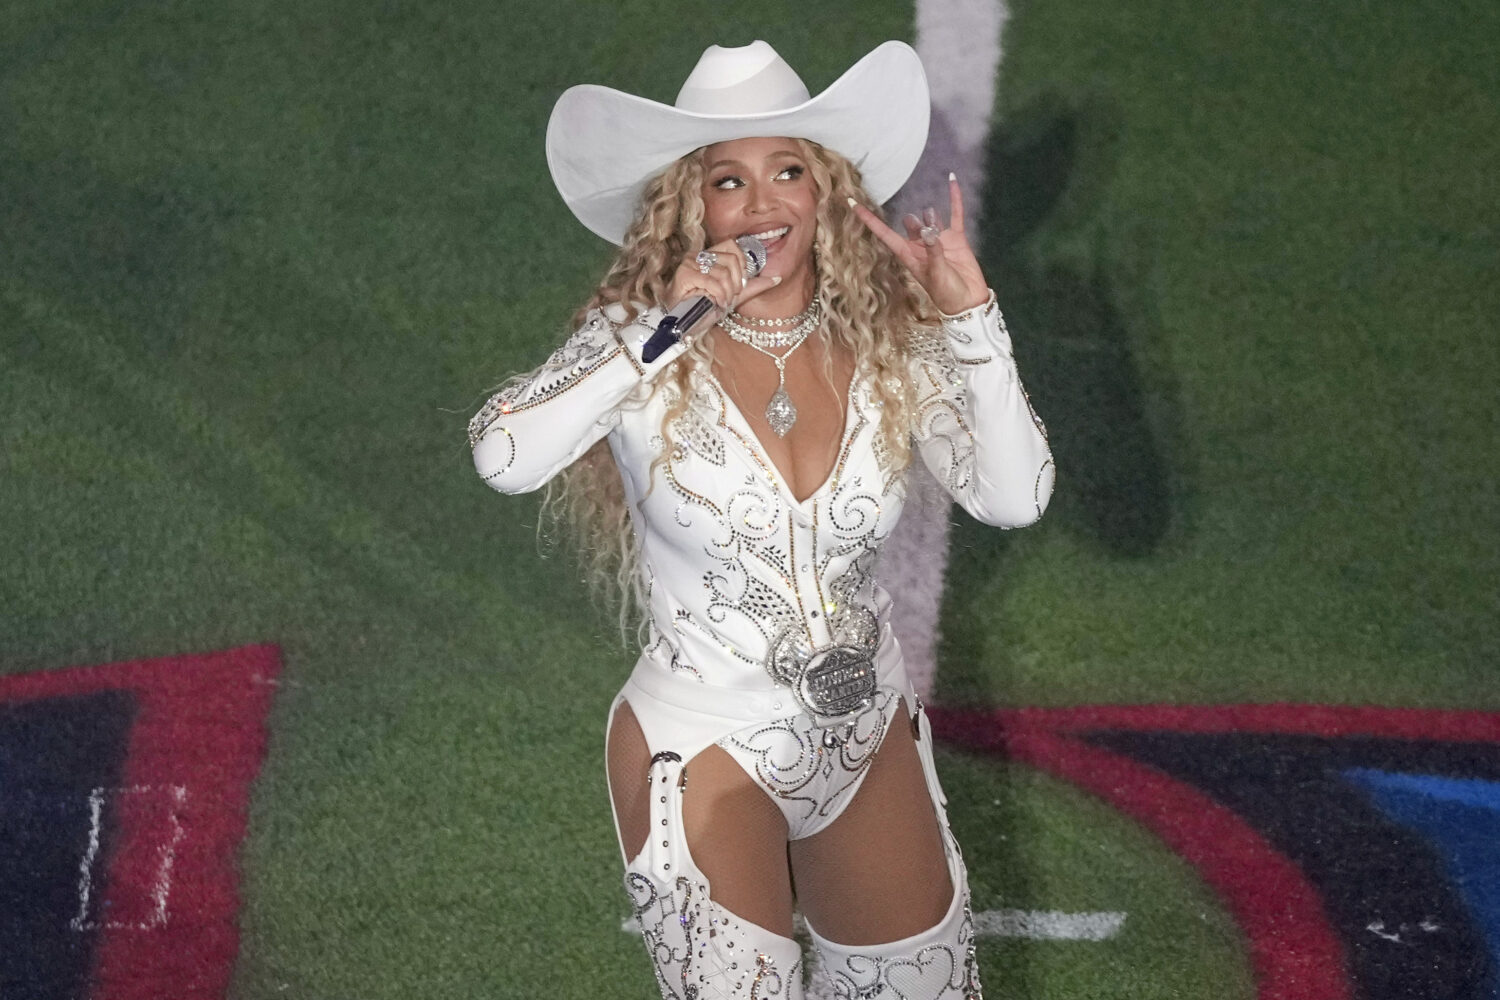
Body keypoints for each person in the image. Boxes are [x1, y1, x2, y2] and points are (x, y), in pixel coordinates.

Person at [470, 40, 1053, 1000]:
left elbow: (1015, 496)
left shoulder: (892, 343)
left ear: (824, 194)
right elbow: (504, 455)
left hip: (865, 738)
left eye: (788, 172)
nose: (762, 204)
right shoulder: (639, 344)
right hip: (702, 751)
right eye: (728, 181)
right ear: (693, 209)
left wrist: (972, 321)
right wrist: (661, 331)